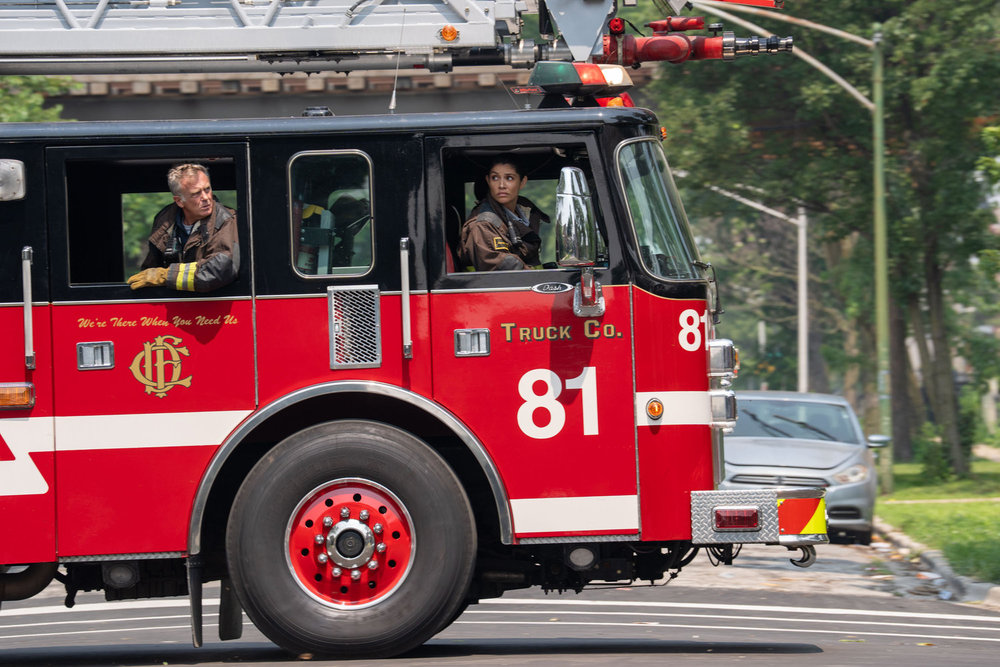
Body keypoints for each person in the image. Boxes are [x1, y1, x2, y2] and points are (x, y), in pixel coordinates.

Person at [127, 163, 239, 292]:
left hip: (214, 308)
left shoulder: (227, 220)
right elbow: (149, 272)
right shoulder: (164, 220)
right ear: (179, 201)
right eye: (196, 193)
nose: (206, 198)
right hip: (175, 308)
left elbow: (220, 270)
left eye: (207, 189)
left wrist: (165, 275)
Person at [458, 154, 549, 271]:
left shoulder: (527, 212)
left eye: (509, 178)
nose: (501, 185)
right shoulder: (482, 224)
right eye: (495, 178)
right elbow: (502, 270)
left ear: (522, 182)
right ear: (488, 181)